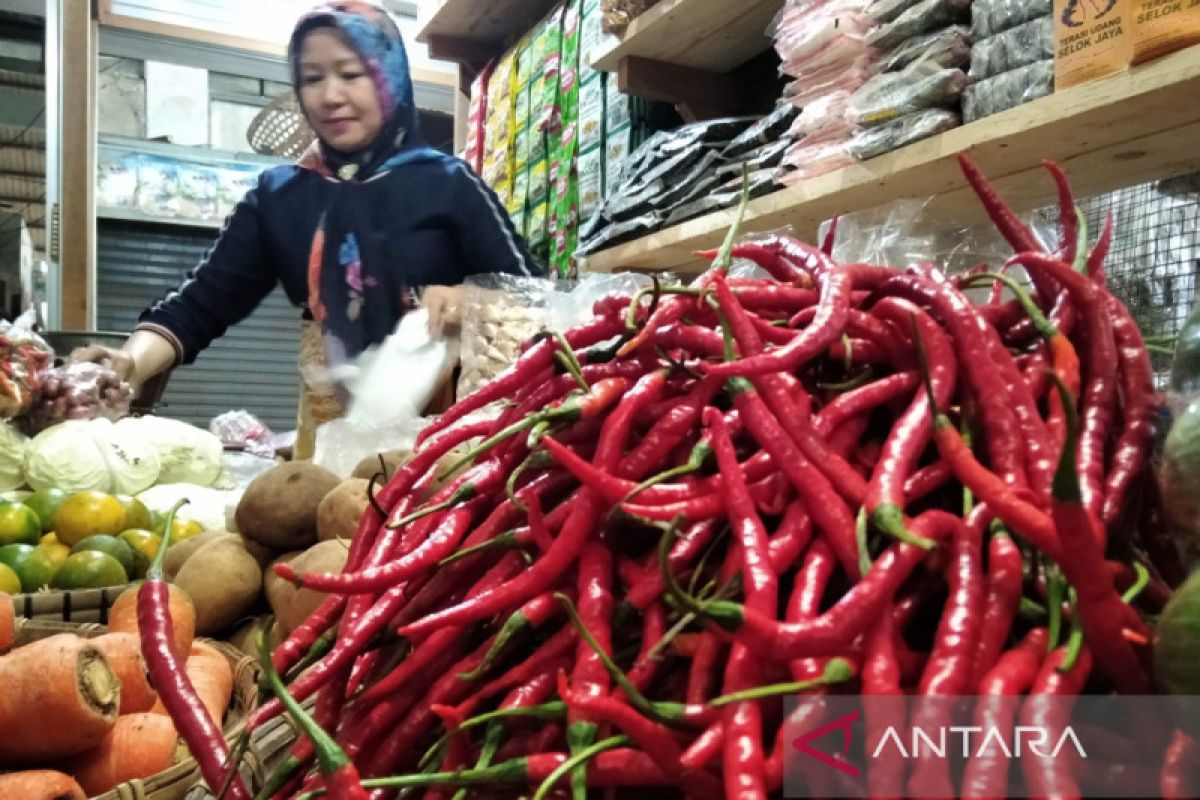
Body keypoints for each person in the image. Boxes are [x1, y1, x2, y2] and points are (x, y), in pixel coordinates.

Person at [75, 0, 541, 457]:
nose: (330, 96)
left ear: (390, 76)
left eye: (351, 73)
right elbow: (197, 305)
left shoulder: (446, 184)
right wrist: (130, 362)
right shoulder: (280, 198)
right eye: (312, 78)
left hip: (449, 444)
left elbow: (536, 298)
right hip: (327, 440)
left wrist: (468, 299)